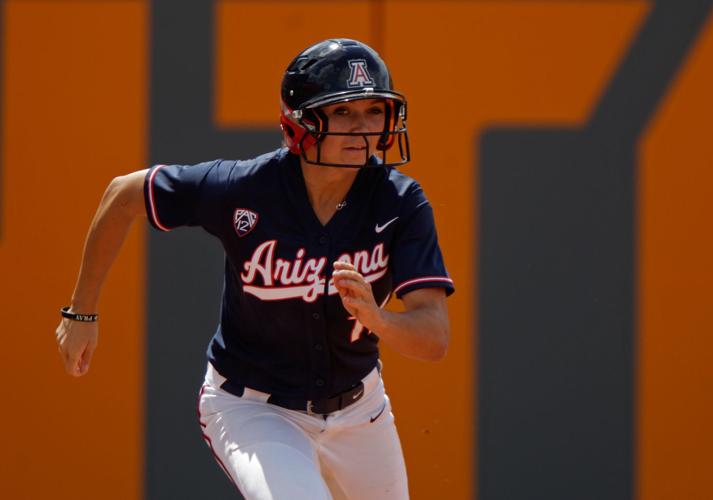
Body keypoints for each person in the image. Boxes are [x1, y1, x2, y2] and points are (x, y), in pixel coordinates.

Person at [55, 38, 454, 500]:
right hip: (253, 409)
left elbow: (434, 338)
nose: (361, 128)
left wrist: (379, 319)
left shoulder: (399, 201)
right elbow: (124, 194)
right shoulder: (243, 188)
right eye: (342, 112)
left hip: (360, 411)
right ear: (299, 123)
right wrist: (81, 312)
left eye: (374, 111)